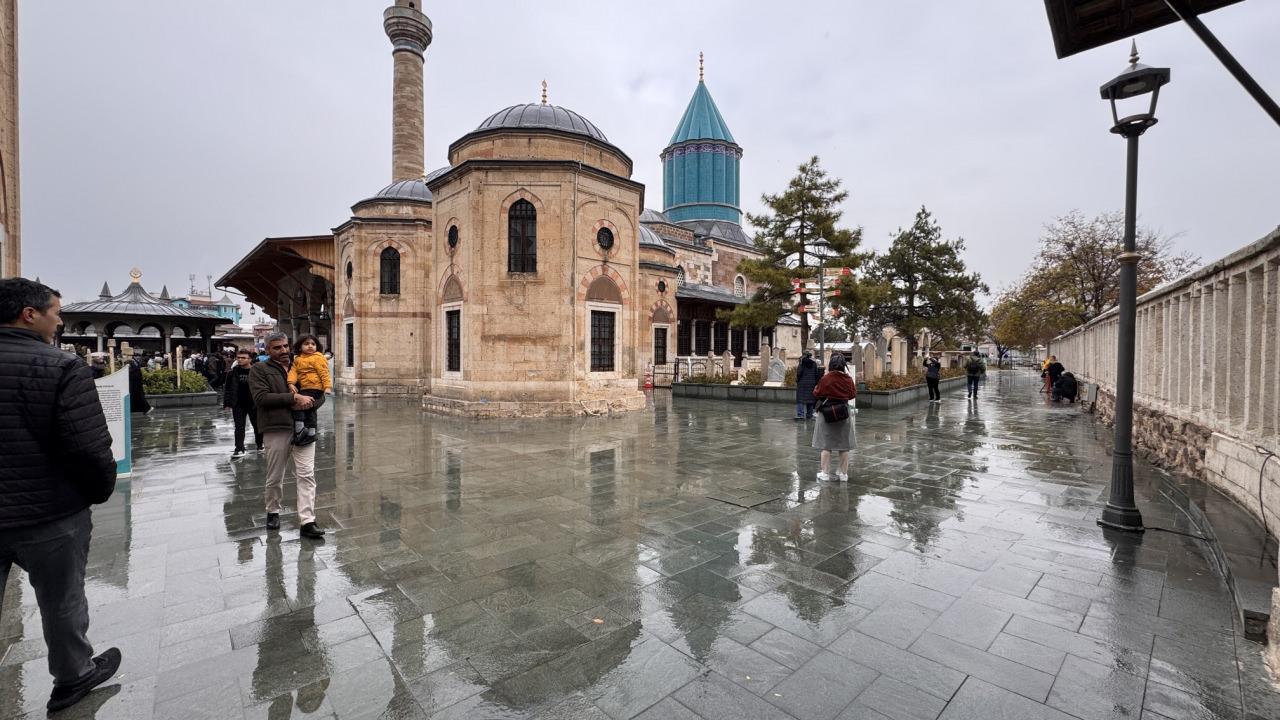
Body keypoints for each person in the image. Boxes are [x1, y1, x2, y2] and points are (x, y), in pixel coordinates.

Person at [0, 278, 123, 712]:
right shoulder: (61, 367)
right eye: (55, 313)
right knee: (62, 600)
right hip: (49, 511)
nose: (59, 322)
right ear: (29, 314)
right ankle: (73, 677)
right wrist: (98, 490)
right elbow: (88, 446)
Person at [250, 331, 325, 538]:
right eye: (277, 348)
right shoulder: (259, 369)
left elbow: (319, 391)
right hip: (276, 428)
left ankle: (307, 521)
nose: (283, 350)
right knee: (275, 475)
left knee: (307, 474)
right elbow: (261, 398)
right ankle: (273, 510)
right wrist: (294, 399)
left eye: (285, 346)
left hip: (305, 428)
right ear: (267, 350)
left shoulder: (302, 362)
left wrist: (310, 403)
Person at [811, 353, 856, 482]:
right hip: (843, 413)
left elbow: (817, 392)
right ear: (843, 366)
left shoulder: (826, 378)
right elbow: (852, 394)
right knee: (844, 445)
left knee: (826, 445)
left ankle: (825, 473)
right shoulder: (848, 379)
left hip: (827, 413)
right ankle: (843, 474)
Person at [287, 335, 330, 446]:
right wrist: (290, 383)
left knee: (298, 404)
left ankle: (299, 429)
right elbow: (293, 372)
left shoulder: (318, 357)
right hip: (305, 387)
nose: (310, 346)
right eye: (306, 344)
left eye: (313, 344)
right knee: (310, 410)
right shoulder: (298, 359)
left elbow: (324, 373)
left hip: (315, 387)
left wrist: (327, 387)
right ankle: (311, 433)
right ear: (300, 347)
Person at [224, 348, 262, 457]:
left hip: (254, 403)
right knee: (239, 427)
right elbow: (228, 389)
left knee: (257, 425)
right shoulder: (232, 372)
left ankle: (260, 445)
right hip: (238, 404)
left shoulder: (257, 372)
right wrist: (227, 404)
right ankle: (239, 448)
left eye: (243, 358)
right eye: (238, 358)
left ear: (250, 359)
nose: (240, 360)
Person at [794, 350, 823, 420]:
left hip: (802, 384)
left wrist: (797, 380)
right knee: (810, 400)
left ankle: (800, 415)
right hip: (811, 383)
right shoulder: (814, 363)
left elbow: (799, 373)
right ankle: (809, 415)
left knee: (800, 400)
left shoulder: (802, 363)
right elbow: (816, 374)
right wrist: (815, 382)